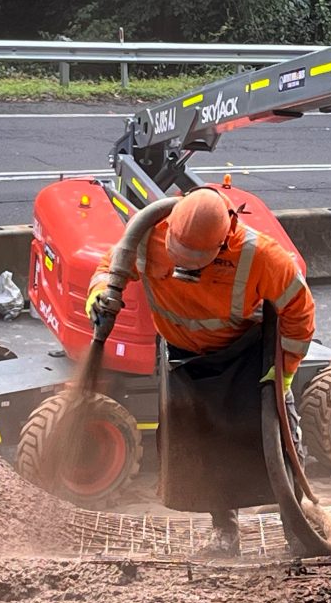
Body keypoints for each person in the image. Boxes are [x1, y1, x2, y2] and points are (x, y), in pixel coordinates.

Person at [87, 186, 315, 556]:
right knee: (203, 445)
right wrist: (99, 295)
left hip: (245, 355)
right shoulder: (148, 235)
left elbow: (300, 314)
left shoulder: (260, 256)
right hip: (184, 357)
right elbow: (107, 269)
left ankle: (297, 524)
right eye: (178, 255)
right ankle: (224, 534)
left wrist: (282, 374)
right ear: (170, 228)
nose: (183, 268)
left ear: (223, 243)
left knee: (276, 435)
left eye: (196, 261)